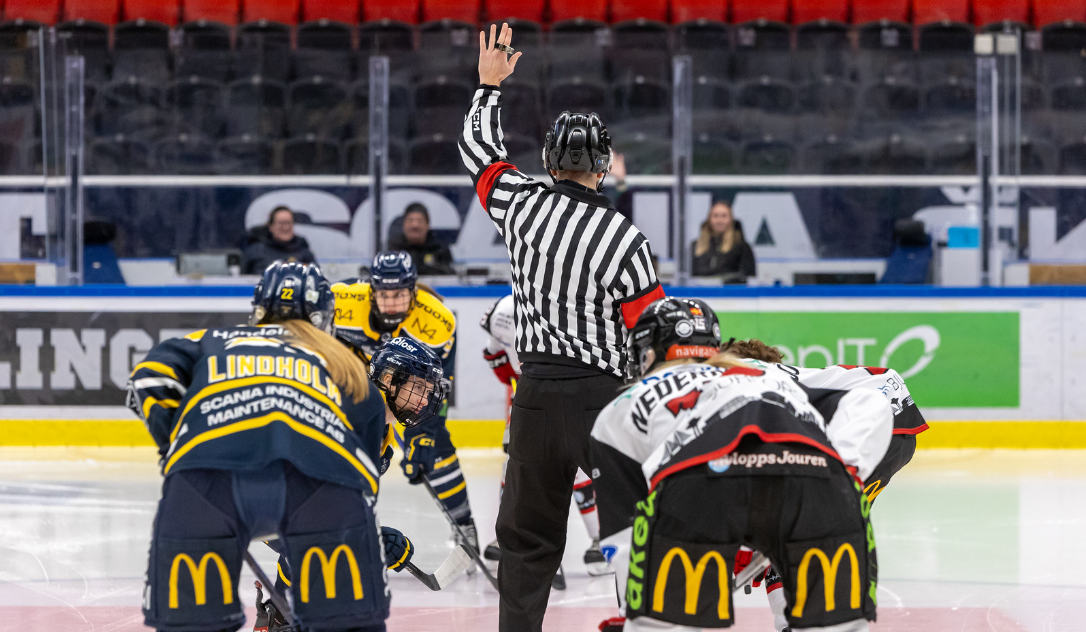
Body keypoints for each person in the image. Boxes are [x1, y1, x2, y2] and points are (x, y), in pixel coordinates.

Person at [461, 23, 665, 631]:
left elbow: (480, 154)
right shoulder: (628, 240)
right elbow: (651, 338)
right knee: (638, 540)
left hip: (537, 398)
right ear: (604, 168)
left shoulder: (521, 206)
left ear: (549, 161)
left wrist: (487, 87)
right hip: (608, 402)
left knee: (526, 547)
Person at [126, 261, 427, 632]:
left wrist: (180, 449)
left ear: (258, 310)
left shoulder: (213, 340)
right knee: (348, 624)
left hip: (205, 481)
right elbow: (361, 450)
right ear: (325, 316)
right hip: (317, 481)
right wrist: (362, 525)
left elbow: (150, 376)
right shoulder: (342, 364)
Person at [590, 297, 890, 632]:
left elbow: (626, 534)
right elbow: (873, 399)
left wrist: (643, 615)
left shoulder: (627, 402)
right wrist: (843, 470)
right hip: (813, 476)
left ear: (647, 354)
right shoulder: (766, 372)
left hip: (700, 483)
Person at [331, 252, 481, 560]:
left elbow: (435, 390)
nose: (392, 303)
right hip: (349, 381)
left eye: (399, 294)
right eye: (384, 295)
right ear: (370, 290)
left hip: (399, 386)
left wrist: (423, 435)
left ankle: (464, 525)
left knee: (436, 447)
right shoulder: (341, 299)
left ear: (414, 291)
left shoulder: (436, 322)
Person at [478, 294, 612, 578]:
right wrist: (518, 385)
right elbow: (494, 353)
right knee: (517, 464)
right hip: (531, 393)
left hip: (574, 393)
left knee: (578, 464)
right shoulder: (503, 310)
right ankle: (511, 532)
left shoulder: (577, 306)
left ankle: (600, 538)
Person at [690, 200, 755, 281]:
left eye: (724, 216)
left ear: (731, 219)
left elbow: (748, 277)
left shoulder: (741, 247)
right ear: (709, 219)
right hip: (699, 292)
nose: (719, 220)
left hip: (729, 292)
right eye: (715, 216)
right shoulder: (695, 246)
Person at [241, 206, 317, 275]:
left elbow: (316, 279)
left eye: (289, 223)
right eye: (281, 223)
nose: (285, 228)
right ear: (271, 226)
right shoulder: (255, 251)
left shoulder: (304, 252)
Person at [388, 203, 455, 275]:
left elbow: (449, 276)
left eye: (420, 221)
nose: (415, 225)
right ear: (404, 224)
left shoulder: (439, 248)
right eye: (410, 220)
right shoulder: (394, 248)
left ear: (427, 225)